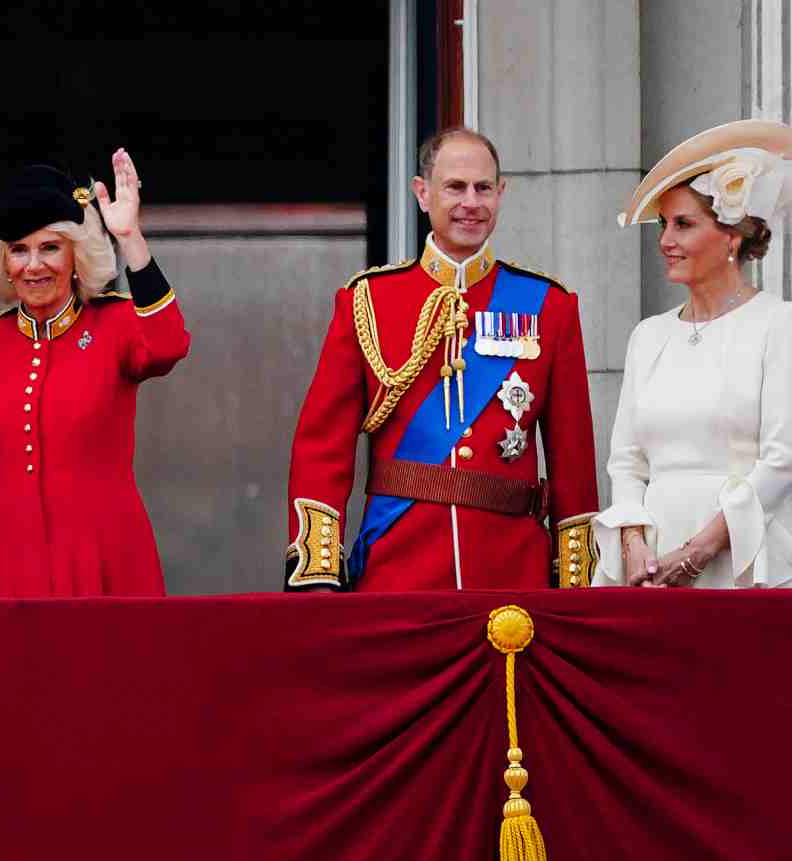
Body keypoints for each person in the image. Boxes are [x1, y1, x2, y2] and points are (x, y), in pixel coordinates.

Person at [284, 127, 600, 591]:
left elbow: (573, 456)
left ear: (501, 193)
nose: (471, 202)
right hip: (398, 567)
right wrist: (318, 568)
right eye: (455, 187)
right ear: (422, 193)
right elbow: (322, 446)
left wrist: (576, 583)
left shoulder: (548, 306)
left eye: (483, 188)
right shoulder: (369, 300)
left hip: (512, 573)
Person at [0, 155, 191, 596]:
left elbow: (169, 345)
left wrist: (130, 238)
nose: (33, 265)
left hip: (104, 562)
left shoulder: (115, 323)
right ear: (3, 262)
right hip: (4, 570)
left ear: (76, 255)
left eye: (50, 247)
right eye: (19, 250)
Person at [594, 120, 792, 588]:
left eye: (683, 225)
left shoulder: (778, 324)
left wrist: (700, 550)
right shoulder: (649, 336)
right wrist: (634, 542)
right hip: (650, 563)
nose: (665, 240)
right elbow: (626, 463)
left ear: (733, 236)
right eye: (664, 225)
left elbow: (782, 459)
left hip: (742, 553)